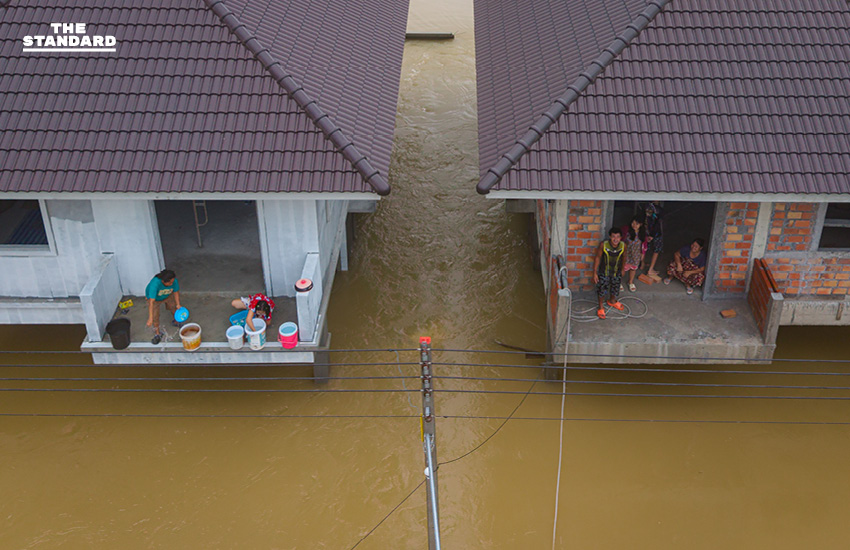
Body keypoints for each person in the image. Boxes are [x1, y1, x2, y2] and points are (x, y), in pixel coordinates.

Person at [593, 227, 626, 319]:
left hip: (616, 272)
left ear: (621, 238)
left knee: (615, 287)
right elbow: (598, 258)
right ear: (610, 237)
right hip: (604, 272)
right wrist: (595, 272)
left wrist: (623, 269)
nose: (616, 239)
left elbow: (624, 257)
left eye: (618, 237)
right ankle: (600, 307)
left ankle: (612, 301)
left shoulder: (623, 246)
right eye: (613, 237)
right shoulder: (603, 245)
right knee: (602, 289)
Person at [145, 269, 181, 344]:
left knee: (173, 307)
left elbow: (176, 292)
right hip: (155, 299)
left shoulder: (173, 281)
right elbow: (151, 302)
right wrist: (150, 318)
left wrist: (178, 304)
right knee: (155, 316)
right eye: (170, 282)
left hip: (167, 295)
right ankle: (157, 334)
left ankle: (176, 321)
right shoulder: (155, 284)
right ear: (163, 281)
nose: (172, 283)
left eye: (172, 281)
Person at [622, 216, 647, 292]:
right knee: (623, 268)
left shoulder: (642, 233)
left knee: (633, 268)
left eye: (637, 224)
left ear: (641, 225)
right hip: (626, 253)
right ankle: (619, 282)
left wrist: (642, 254)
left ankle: (630, 282)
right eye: (633, 223)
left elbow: (644, 245)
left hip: (636, 254)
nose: (634, 225)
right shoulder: (626, 230)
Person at [644, 201, 664, 276]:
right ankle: (650, 269)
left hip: (646, 231)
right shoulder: (658, 210)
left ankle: (642, 263)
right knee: (656, 250)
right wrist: (652, 235)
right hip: (655, 233)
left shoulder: (646, 206)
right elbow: (657, 223)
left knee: (644, 247)